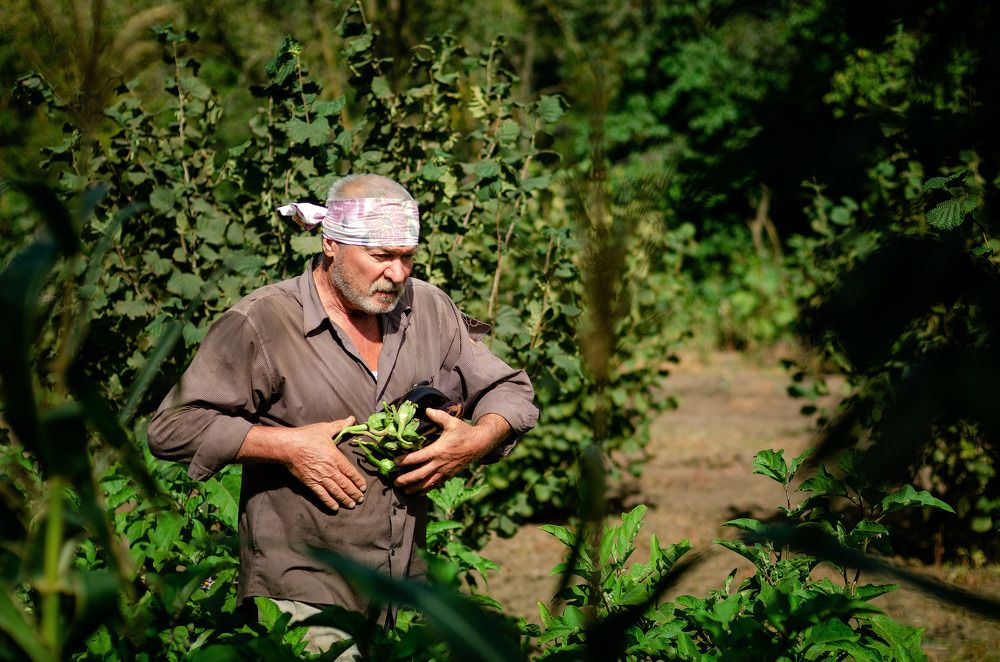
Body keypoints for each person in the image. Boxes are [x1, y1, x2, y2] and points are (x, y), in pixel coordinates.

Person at [147, 174, 538, 653]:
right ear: (330, 243)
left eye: (407, 257)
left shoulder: (427, 309)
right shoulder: (265, 321)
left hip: (401, 586)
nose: (397, 274)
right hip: (303, 590)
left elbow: (508, 389)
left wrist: (477, 439)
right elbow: (172, 426)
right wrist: (286, 447)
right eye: (381, 256)